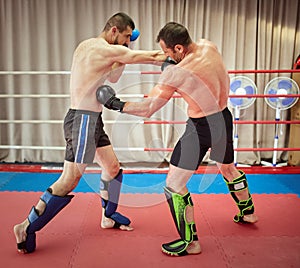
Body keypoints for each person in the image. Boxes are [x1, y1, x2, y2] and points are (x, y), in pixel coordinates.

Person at [96, 22, 258, 257]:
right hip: (223, 117)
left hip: (202, 127)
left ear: (179, 49)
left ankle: (190, 242)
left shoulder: (177, 73)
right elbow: (214, 73)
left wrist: (116, 104)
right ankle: (248, 211)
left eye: (168, 52)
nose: (166, 56)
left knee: (173, 185)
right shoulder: (208, 46)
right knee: (228, 169)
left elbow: (148, 108)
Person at [13, 12, 165, 254]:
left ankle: (109, 216)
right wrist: (177, 57)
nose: (127, 42)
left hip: (93, 120)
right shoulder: (101, 48)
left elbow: (113, 76)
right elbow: (147, 56)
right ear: (114, 30)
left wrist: (123, 53)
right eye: (126, 36)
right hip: (83, 121)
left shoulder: (89, 47)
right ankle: (26, 226)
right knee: (69, 180)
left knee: (112, 168)